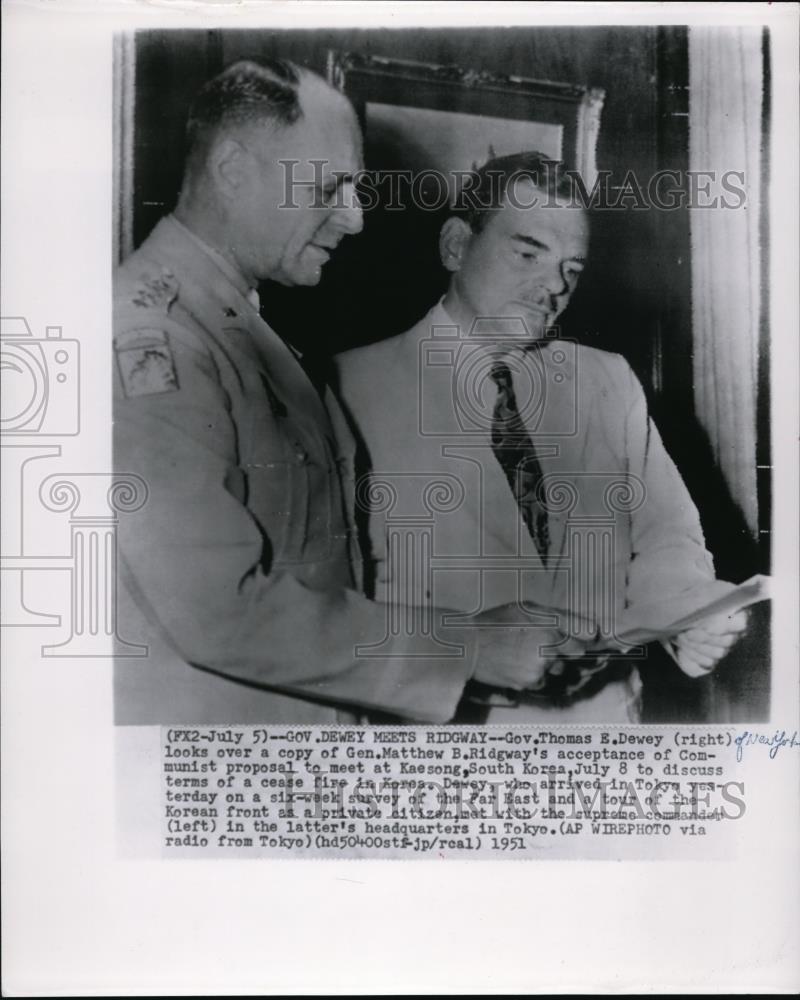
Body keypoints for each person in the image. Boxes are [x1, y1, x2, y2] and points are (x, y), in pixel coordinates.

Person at [113, 64, 579, 725]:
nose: (354, 219)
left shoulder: (240, 324)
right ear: (233, 168)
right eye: (331, 187)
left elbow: (322, 572)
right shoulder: (150, 338)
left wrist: (470, 635)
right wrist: (466, 645)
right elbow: (215, 609)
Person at [335, 151, 747, 723]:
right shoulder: (343, 387)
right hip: (438, 746)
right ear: (456, 246)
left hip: (604, 737)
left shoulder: (608, 380)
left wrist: (687, 614)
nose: (553, 285)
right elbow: (331, 610)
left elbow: (667, 536)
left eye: (572, 269)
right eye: (528, 253)